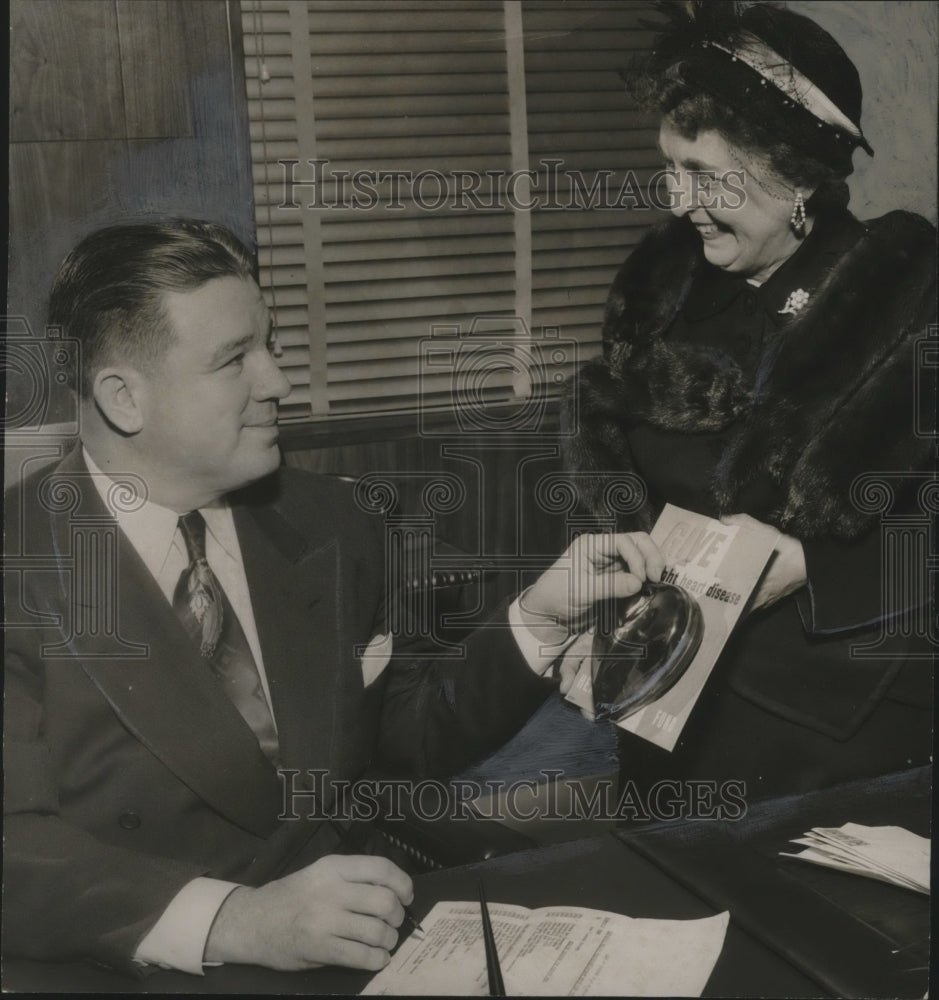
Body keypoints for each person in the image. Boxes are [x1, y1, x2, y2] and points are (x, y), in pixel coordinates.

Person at [3, 220, 664, 976]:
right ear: (124, 397)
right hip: (133, 967)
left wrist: (536, 621)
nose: (278, 381)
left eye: (271, 344)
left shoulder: (333, 522)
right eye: (233, 361)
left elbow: (404, 738)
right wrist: (233, 921)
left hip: (344, 946)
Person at [563, 4, 935, 803]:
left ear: (796, 174)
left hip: (831, 723)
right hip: (668, 701)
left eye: (702, 173)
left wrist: (812, 564)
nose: (675, 199)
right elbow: (621, 480)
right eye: (668, 167)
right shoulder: (665, 292)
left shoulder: (909, 304)